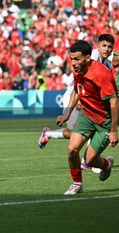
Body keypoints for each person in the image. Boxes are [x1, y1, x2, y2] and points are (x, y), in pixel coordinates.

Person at [38, 34, 115, 173]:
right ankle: (48, 134)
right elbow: (80, 82)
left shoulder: (106, 64)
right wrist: (80, 100)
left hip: (85, 98)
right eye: (104, 46)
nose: (107, 49)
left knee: (86, 130)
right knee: (72, 133)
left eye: (110, 47)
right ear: (97, 46)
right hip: (75, 96)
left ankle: (89, 161)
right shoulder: (90, 57)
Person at [57, 40, 117, 195]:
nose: (74, 63)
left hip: (104, 120)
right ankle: (77, 184)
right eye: (72, 59)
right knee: (72, 150)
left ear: (88, 57)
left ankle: (106, 165)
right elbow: (77, 90)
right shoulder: (78, 70)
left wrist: (113, 131)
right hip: (87, 116)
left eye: (77, 59)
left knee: (89, 160)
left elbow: (113, 101)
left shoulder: (101, 74)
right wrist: (67, 113)